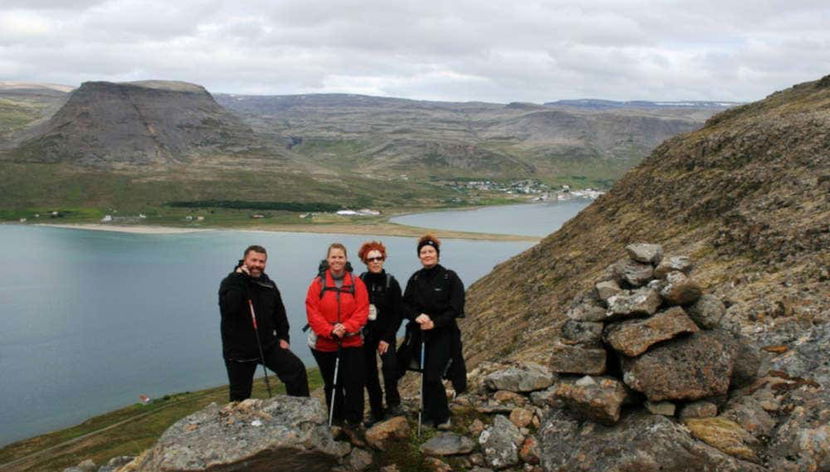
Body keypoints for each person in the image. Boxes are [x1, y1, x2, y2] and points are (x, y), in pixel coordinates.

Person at [218, 245, 309, 401]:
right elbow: (230, 308)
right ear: (245, 260)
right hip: (239, 350)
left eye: (262, 261)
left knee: (296, 370)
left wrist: (283, 337)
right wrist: (239, 279)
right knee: (240, 395)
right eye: (254, 260)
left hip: (267, 344)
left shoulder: (268, 284)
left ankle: (299, 409)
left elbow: (280, 314)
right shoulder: (231, 282)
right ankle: (239, 424)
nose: (257, 264)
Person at [402, 234, 465, 430]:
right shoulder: (415, 278)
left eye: (430, 252)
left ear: (437, 254)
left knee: (432, 375)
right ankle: (429, 415)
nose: (427, 255)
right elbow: (405, 304)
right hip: (421, 335)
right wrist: (416, 316)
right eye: (423, 252)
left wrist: (435, 323)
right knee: (424, 374)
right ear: (419, 256)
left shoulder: (450, 277)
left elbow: (456, 308)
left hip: (444, 335)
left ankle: (442, 416)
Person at [306, 243, 369, 427]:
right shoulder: (317, 284)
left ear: (346, 259)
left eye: (340, 257)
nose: (337, 260)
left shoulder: (357, 283)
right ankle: (336, 419)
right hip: (324, 343)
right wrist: (330, 330)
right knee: (332, 384)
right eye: (333, 257)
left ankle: (355, 421)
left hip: (352, 342)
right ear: (328, 260)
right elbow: (312, 312)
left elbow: (362, 311)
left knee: (354, 383)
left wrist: (346, 327)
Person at [357, 241, 403, 424]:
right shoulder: (360, 281)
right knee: (369, 374)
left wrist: (386, 338)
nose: (375, 262)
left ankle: (394, 404)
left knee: (390, 368)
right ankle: (376, 410)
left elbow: (398, 314)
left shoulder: (391, 283)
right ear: (365, 261)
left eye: (379, 258)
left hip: (386, 335)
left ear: (383, 259)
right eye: (371, 259)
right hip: (366, 335)